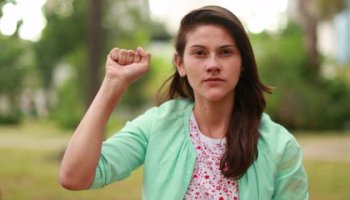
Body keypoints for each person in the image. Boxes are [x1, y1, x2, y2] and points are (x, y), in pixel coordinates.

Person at [59, 5, 309, 200]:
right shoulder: (157, 125)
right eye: (200, 53)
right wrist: (114, 83)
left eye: (225, 52)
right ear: (180, 64)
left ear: (242, 63)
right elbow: (74, 176)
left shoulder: (279, 146)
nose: (213, 64)